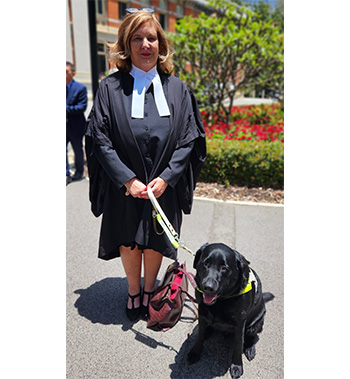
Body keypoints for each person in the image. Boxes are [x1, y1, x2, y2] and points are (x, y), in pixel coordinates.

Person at [85, 9, 206, 322]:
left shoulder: (178, 89)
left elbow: (190, 139)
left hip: (161, 184)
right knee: (129, 237)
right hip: (125, 186)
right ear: (126, 45)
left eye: (151, 37)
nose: (145, 44)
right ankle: (133, 290)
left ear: (161, 43)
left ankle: (150, 289)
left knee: (154, 239)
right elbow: (99, 138)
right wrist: (126, 179)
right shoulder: (109, 89)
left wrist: (167, 178)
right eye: (137, 38)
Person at [66, 61, 88, 185]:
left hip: (75, 125)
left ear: (73, 73)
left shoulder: (80, 88)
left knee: (77, 149)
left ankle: (79, 171)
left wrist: (66, 108)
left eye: (66, 71)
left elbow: (81, 107)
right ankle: (66, 172)